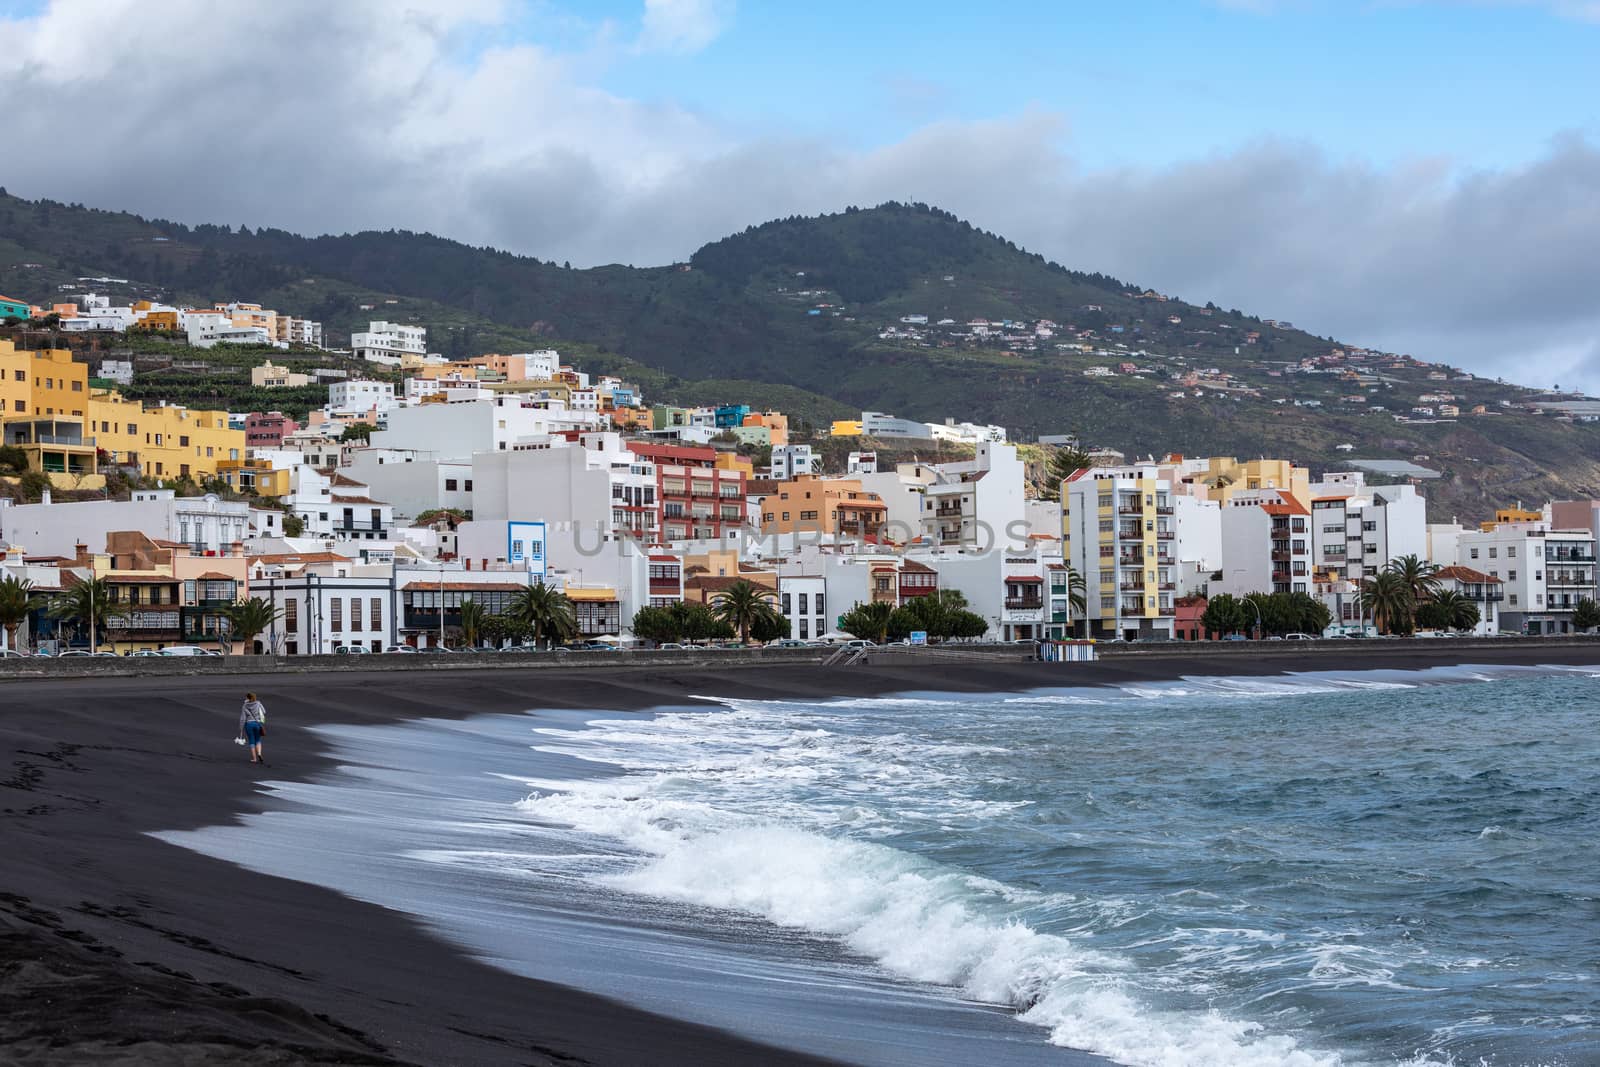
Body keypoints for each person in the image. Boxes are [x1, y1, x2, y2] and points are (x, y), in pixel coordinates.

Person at [238, 692, 268, 764]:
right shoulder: (258, 703)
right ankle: (259, 754)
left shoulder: (245, 705)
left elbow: (243, 717)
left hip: (249, 724)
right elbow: (264, 711)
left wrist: (241, 727)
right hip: (257, 723)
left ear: (248, 698)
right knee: (258, 740)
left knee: (251, 741)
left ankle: (254, 759)